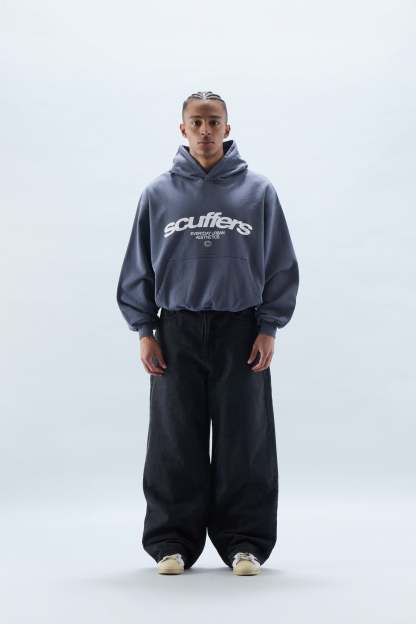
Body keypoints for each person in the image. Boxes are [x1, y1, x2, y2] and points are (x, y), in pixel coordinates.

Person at [116, 91, 299, 576]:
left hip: (241, 329)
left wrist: (268, 326)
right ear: (183, 129)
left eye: (213, 121)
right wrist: (144, 329)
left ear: (227, 128)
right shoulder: (158, 194)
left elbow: (280, 263)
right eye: (196, 122)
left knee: (246, 438)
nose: (205, 130)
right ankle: (171, 541)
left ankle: (245, 543)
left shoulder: (258, 192)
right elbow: (139, 265)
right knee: (175, 438)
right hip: (175, 331)